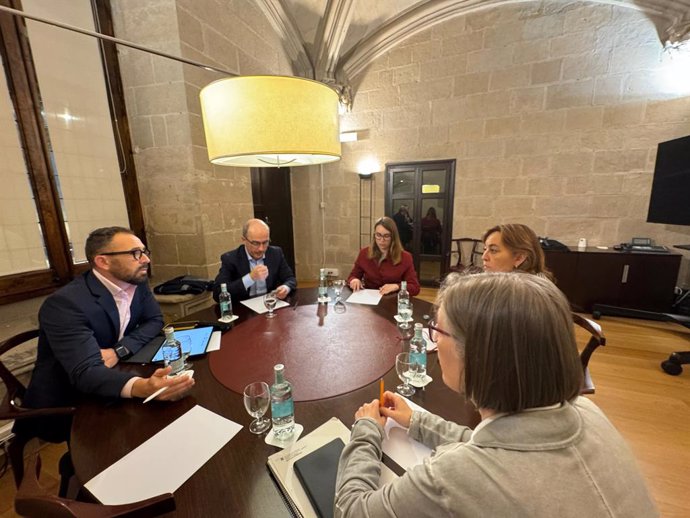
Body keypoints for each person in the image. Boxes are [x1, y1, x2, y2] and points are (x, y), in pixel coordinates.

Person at [335, 273, 657, 517]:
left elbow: (351, 510)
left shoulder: (454, 475)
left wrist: (366, 430)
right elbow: (498, 445)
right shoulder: (586, 410)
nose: (433, 339)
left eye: (438, 330)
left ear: (479, 355)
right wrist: (419, 420)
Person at [16, 227, 195, 444]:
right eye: (135, 253)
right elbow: (86, 371)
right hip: (72, 398)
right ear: (103, 262)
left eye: (145, 251)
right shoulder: (65, 304)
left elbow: (154, 320)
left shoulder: (136, 281)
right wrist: (143, 387)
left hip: (117, 371)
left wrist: (119, 350)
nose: (146, 259)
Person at [213, 218, 297, 304]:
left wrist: (285, 288)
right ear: (244, 240)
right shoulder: (230, 259)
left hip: (269, 305)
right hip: (243, 310)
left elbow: (290, 278)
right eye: (255, 243)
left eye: (265, 242)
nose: (261, 249)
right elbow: (218, 293)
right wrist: (250, 278)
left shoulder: (275, 253)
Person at [347, 216, 420, 296]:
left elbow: (415, 288)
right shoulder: (364, 253)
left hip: (392, 301)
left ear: (393, 237)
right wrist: (354, 280)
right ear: (374, 235)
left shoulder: (405, 257)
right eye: (378, 235)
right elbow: (352, 277)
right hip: (369, 300)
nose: (382, 240)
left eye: (386, 236)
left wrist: (396, 286)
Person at [482, 223, 553, 279]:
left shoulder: (524, 294)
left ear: (519, 258)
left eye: (493, 250)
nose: (484, 257)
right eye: (485, 249)